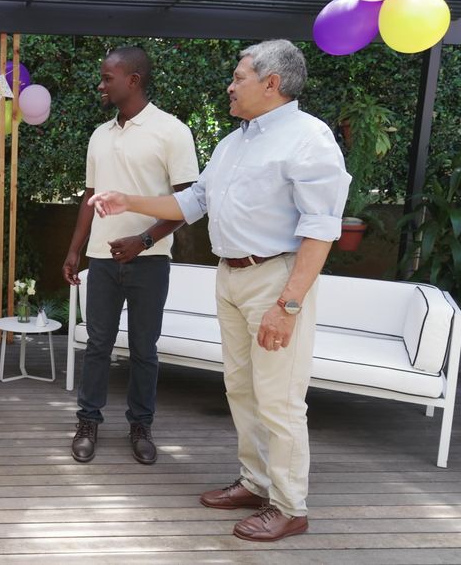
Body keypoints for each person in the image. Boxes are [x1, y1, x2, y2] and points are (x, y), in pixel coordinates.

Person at [88, 40, 351, 542]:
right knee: (242, 390)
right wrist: (127, 200)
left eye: (239, 76)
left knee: (279, 400)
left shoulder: (309, 138)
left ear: (271, 84)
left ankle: (290, 505)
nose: (230, 86)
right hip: (230, 276)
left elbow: (321, 228)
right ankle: (255, 482)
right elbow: (194, 201)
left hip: (276, 279)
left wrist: (288, 304)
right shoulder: (236, 141)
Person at [62, 46, 200, 465]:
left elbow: (188, 203)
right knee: (98, 345)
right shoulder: (99, 135)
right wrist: (75, 250)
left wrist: (143, 240)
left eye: (108, 78)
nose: (101, 84)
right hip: (102, 261)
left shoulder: (171, 131)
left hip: (150, 262)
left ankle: (141, 425)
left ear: (133, 80)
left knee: (144, 349)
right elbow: (89, 196)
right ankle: (88, 422)